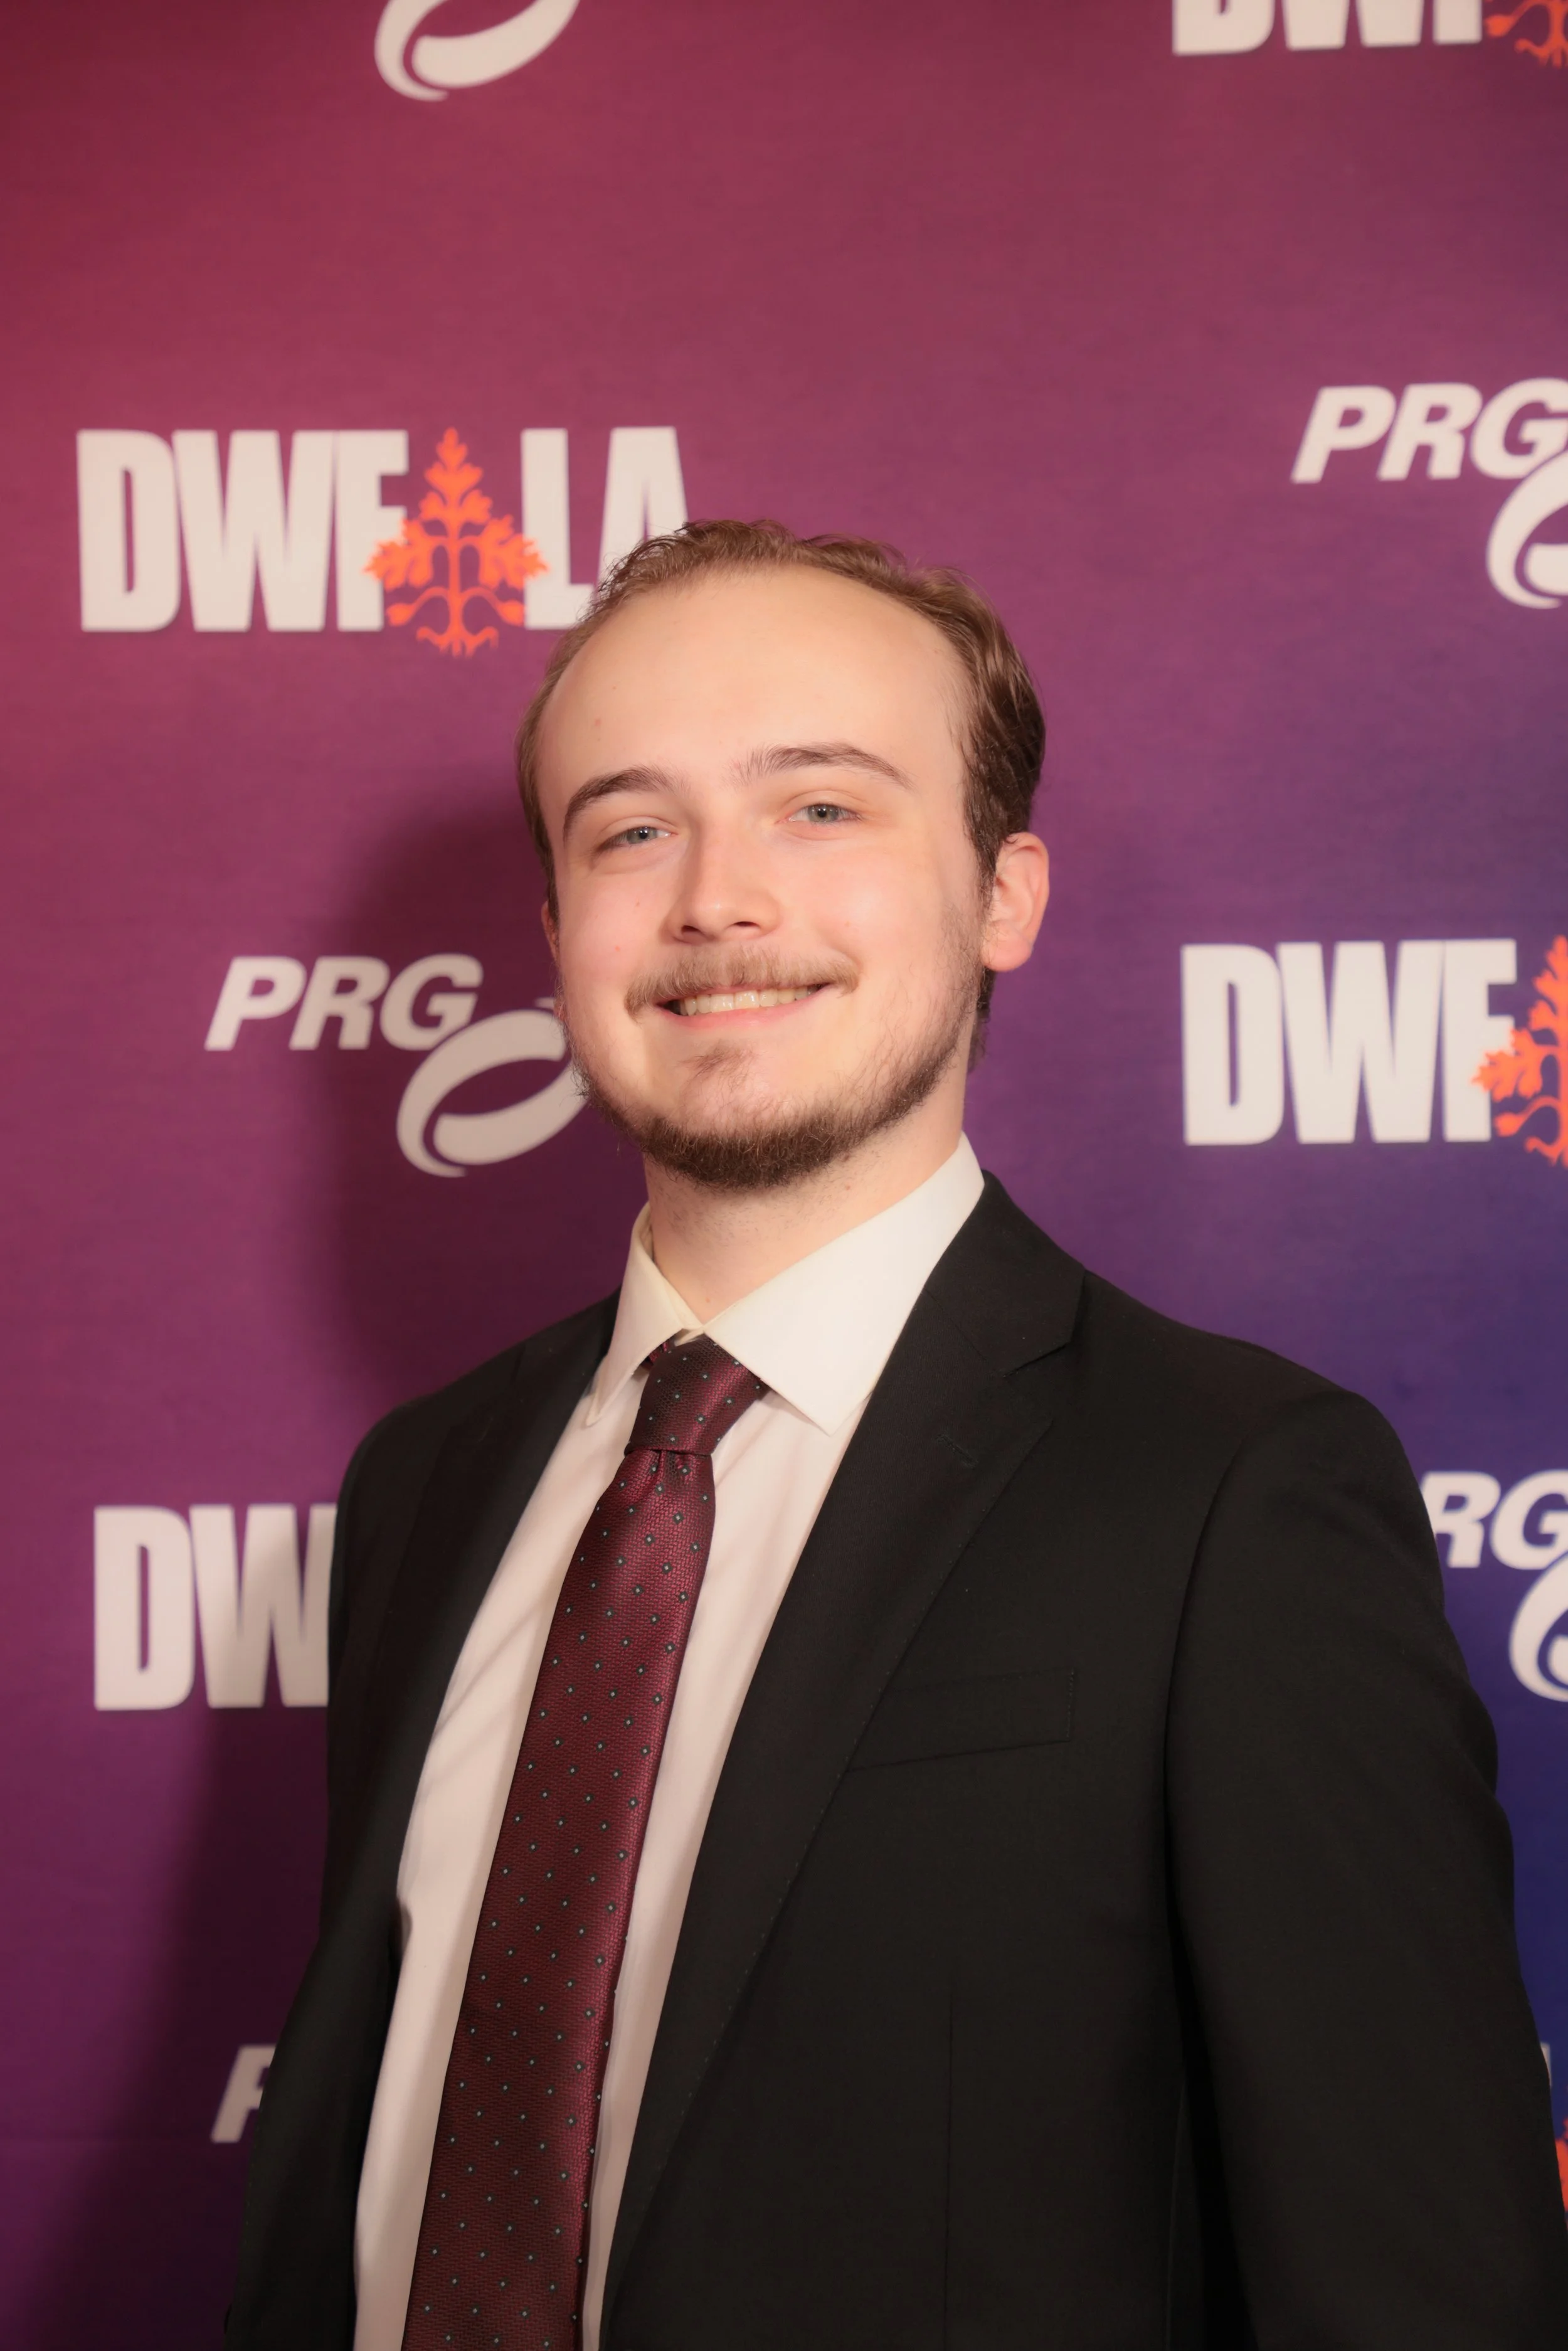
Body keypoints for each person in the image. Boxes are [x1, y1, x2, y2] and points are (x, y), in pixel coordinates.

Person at [226, 523, 1568, 2351]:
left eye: (820, 808)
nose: (716, 900)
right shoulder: (428, 1481)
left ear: (1003, 893)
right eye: (631, 829)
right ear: (553, 933)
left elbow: (1418, 2287)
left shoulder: (1232, 1498)